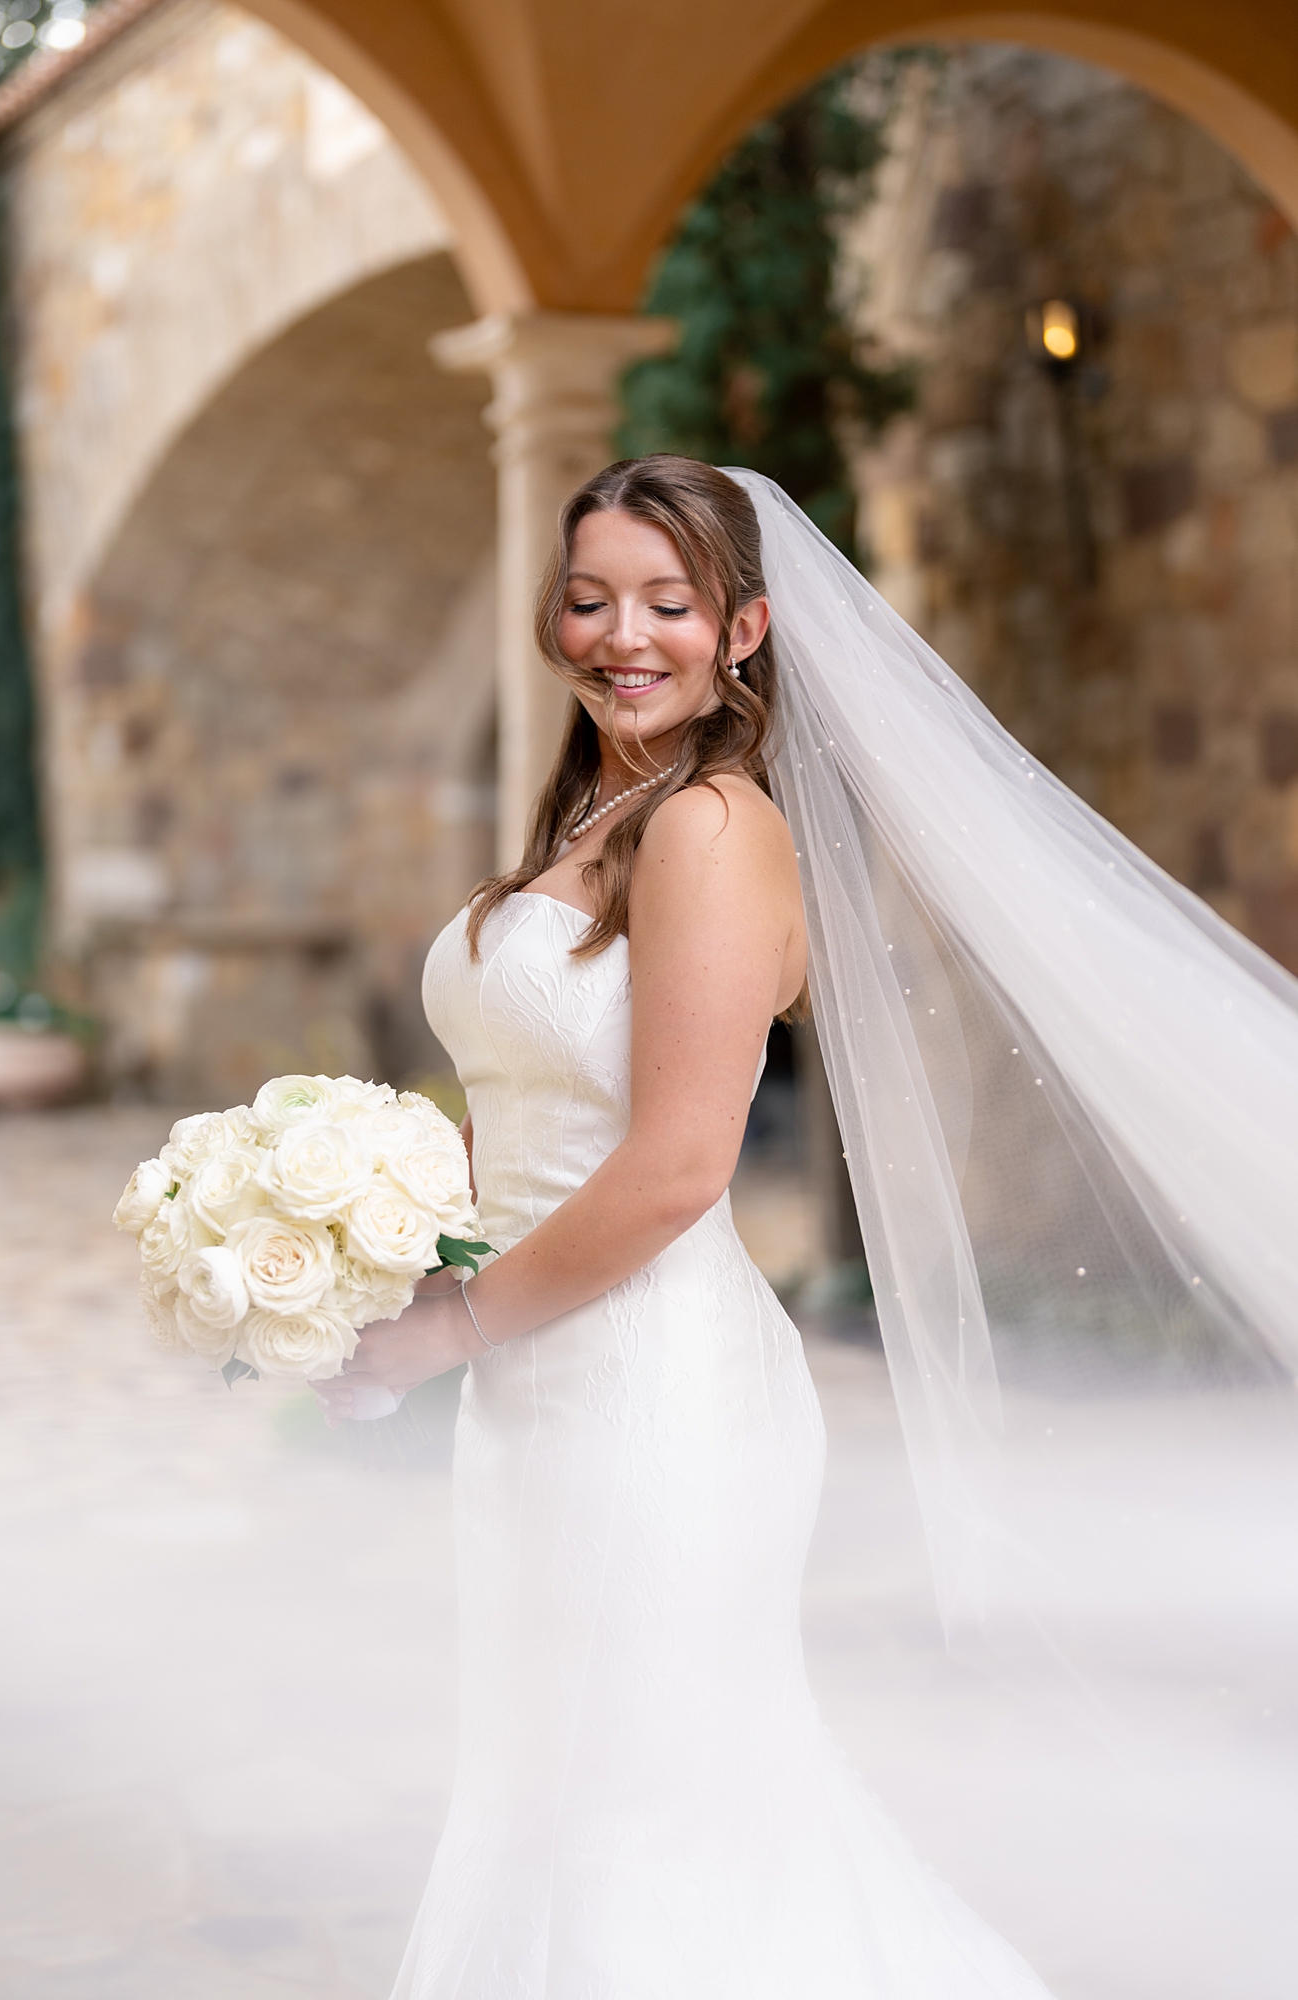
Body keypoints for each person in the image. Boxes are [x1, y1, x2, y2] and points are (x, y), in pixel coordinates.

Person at [318, 456, 1062, 1995]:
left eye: (667, 602)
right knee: (554, 1791)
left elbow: (672, 1170)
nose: (621, 635)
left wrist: (444, 1331)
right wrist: (366, 1233)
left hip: (653, 1391)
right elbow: (528, 1105)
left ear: (744, 628)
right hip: (540, 1392)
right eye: (589, 599)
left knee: (643, 1815)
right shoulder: (596, 810)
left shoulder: (712, 826)